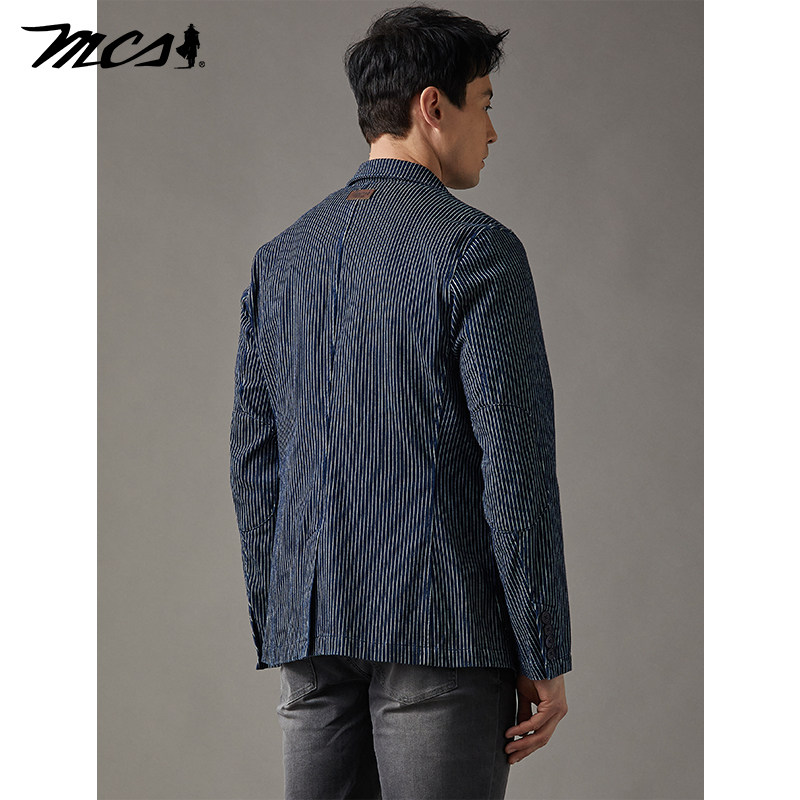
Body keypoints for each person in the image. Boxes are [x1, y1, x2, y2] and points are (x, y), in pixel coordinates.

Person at [229, 5, 572, 798]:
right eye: (485, 103)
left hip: (311, 631)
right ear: (432, 106)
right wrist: (542, 648)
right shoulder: (477, 249)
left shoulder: (280, 260)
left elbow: (255, 464)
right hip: (439, 627)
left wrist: (285, 620)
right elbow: (515, 469)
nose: (493, 131)